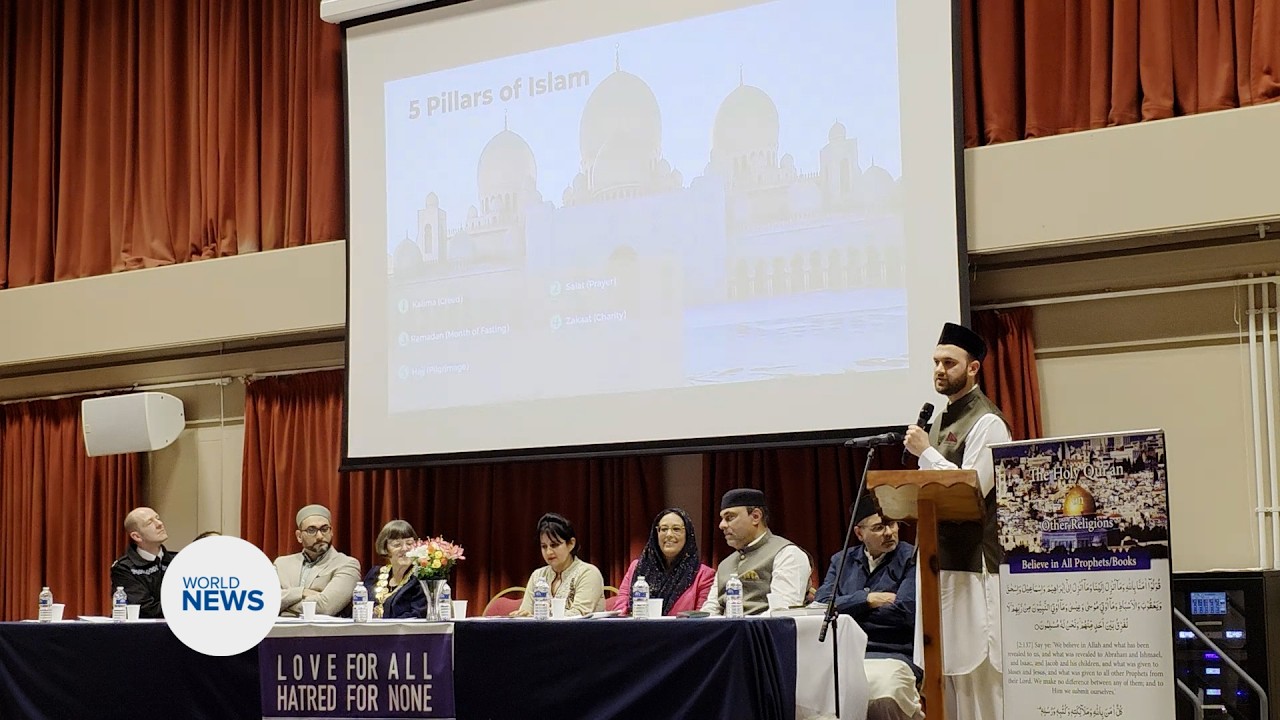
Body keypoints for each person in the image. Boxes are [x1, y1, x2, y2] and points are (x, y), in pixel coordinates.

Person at [903, 322, 1012, 720]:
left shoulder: (988, 422)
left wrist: (927, 453)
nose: (939, 369)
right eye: (935, 362)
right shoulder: (939, 421)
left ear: (973, 369)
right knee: (944, 679)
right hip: (938, 563)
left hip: (972, 568)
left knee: (978, 683)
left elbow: (972, 489)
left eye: (949, 362)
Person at [812, 500, 921, 720]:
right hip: (845, 654)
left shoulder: (912, 557)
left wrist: (846, 611)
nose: (889, 532)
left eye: (892, 524)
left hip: (894, 653)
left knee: (883, 694)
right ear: (859, 534)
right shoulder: (842, 560)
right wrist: (867, 599)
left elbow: (904, 613)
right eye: (879, 527)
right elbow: (822, 605)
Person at [701, 488, 811, 615]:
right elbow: (711, 610)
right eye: (722, 519)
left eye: (729, 517)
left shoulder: (787, 554)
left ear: (755, 517)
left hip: (763, 633)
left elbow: (781, 613)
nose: (722, 525)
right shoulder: (725, 564)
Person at [609, 507, 715, 616]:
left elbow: (700, 619)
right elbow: (620, 610)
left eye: (676, 529)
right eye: (664, 529)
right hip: (637, 630)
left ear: (688, 534)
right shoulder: (636, 567)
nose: (669, 534)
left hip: (682, 632)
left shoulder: (704, 575)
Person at [274, 503, 361, 617]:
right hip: (280, 633)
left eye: (324, 529)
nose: (320, 536)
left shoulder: (347, 564)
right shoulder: (282, 564)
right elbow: (265, 600)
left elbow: (326, 607)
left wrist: (283, 605)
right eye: (312, 530)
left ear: (332, 531)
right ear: (299, 536)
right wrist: (301, 592)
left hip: (323, 633)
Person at [511, 513, 604, 617]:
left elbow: (578, 615)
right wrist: (522, 616)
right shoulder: (538, 576)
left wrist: (537, 618)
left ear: (571, 544)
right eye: (544, 546)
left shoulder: (588, 573)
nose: (548, 552)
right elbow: (525, 613)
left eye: (554, 545)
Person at [109, 507, 176, 619]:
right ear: (136, 536)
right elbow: (145, 609)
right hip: (144, 632)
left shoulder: (178, 560)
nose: (159, 524)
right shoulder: (124, 568)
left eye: (158, 518)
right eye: (150, 522)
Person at [360, 519, 426, 619]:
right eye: (397, 545)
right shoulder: (374, 574)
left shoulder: (421, 578)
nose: (404, 549)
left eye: (409, 543)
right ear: (385, 549)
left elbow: (418, 615)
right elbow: (360, 607)